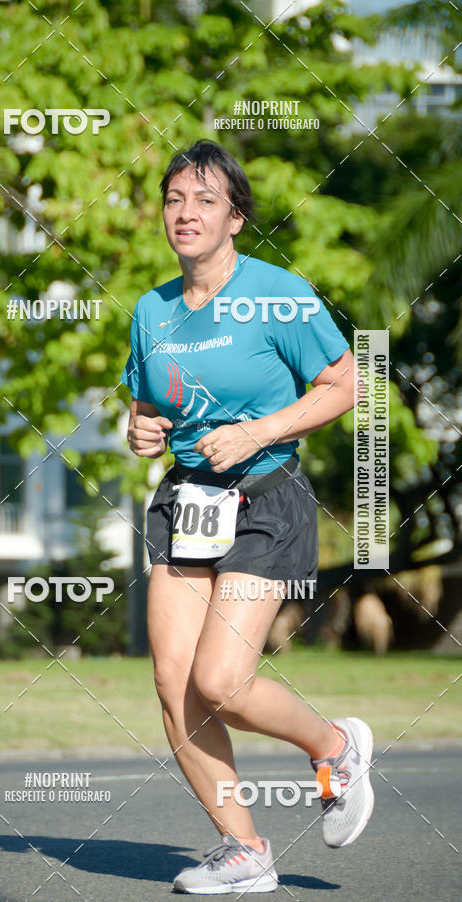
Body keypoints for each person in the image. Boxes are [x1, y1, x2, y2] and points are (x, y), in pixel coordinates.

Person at [121, 139, 374, 895]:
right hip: (185, 502)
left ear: (235, 216)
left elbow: (347, 384)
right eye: (174, 199)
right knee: (175, 687)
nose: (186, 213)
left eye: (204, 200)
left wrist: (262, 431)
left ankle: (334, 748)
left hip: (265, 500)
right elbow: (144, 408)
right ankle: (244, 850)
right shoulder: (151, 309)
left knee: (223, 682)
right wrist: (140, 431)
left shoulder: (279, 295)